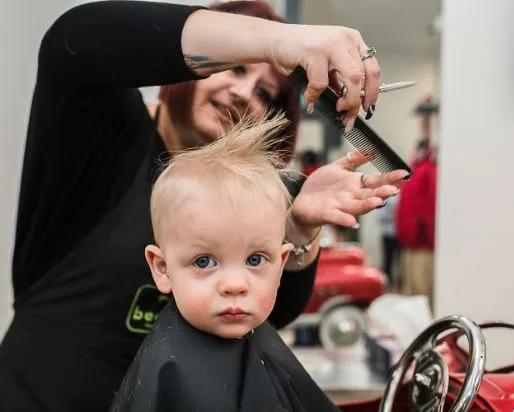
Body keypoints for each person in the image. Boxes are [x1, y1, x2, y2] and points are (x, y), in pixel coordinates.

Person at [0, 1, 407, 411]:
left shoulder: (239, 193)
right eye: (238, 68)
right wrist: (277, 43)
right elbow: (73, 43)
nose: (245, 93)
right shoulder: (104, 139)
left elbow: (267, 315)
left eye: (265, 92)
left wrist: (297, 227)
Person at [111, 114, 342, 411]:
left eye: (256, 259)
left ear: (281, 262)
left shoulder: (256, 339)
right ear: (162, 268)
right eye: (204, 262)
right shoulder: (171, 372)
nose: (235, 285)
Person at [397, 139, 437, 308]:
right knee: (410, 288)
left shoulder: (429, 172)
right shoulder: (414, 171)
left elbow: (430, 206)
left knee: (422, 289)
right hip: (409, 240)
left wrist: (426, 234)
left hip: (422, 242)